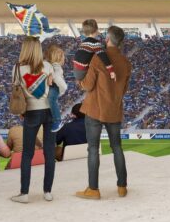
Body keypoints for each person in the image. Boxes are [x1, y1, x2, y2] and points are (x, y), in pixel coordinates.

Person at [76, 25, 132, 201]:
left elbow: (88, 85)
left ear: (107, 39)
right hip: (114, 111)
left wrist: (79, 81)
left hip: (95, 110)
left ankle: (93, 189)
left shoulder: (98, 58)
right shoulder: (126, 63)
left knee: (93, 149)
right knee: (117, 147)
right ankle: (122, 187)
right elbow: (124, 89)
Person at [9, 37, 58, 204]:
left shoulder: (17, 68)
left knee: (27, 154)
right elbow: (53, 88)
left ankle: (24, 193)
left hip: (31, 112)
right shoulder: (48, 66)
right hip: (50, 111)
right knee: (49, 153)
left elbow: (16, 92)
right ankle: (48, 192)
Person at [71, 19, 115, 83]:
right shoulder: (95, 43)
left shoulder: (83, 42)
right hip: (83, 72)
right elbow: (104, 57)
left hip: (75, 70)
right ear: (96, 30)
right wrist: (111, 71)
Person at [44, 43, 68, 132]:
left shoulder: (56, 67)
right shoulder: (54, 66)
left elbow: (59, 81)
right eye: (63, 57)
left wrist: (61, 90)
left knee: (51, 100)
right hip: (54, 86)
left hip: (54, 87)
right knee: (51, 101)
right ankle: (56, 120)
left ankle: (57, 120)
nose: (64, 59)